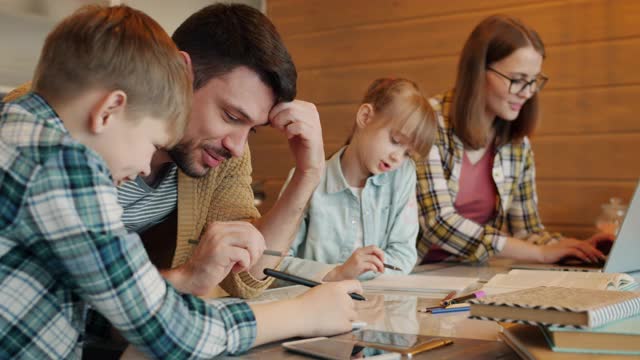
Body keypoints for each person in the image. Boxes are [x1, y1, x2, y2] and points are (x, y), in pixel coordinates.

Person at [0, 5, 361, 359]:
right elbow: (171, 331)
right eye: (231, 116)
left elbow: (84, 303)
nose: (145, 166)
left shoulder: (33, 131)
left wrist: (309, 172)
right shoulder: (63, 161)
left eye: (251, 129)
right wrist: (302, 315)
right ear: (110, 110)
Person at [415, 14, 613, 264]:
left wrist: (572, 247)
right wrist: (539, 253)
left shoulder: (516, 143)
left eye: (533, 81)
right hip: (414, 274)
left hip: (468, 274)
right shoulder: (427, 122)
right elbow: (438, 222)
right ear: (478, 71)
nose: (528, 92)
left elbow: (526, 231)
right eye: (518, 80)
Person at [279, 78, 435, 282]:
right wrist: (337, 274)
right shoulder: (307, 179)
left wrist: (359, 271)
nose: (398, 157)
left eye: (408, 153)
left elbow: (403, 256)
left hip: (376, 305)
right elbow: (276, 263)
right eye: (395, 141)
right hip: (317, 304)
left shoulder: (402, 176)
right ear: (365, 116)